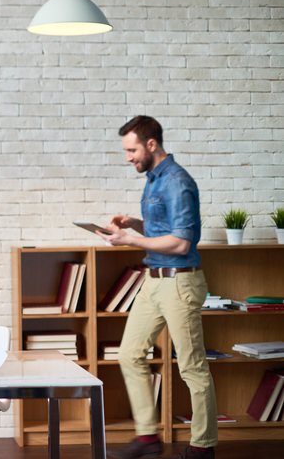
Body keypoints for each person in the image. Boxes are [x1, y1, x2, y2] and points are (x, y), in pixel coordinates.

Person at [99, 116, 216, 459]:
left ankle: (202, 446)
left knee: (192, 367)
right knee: (128, 354)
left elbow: (181, 243)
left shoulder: (178, 182)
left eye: (132, 149)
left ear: (151, 145)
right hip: (153, 281)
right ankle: (148, 439)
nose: (128, 157)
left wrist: (129, 240)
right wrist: (134, 222)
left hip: (179, 282)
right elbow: (164, 225)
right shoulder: (153, 179)